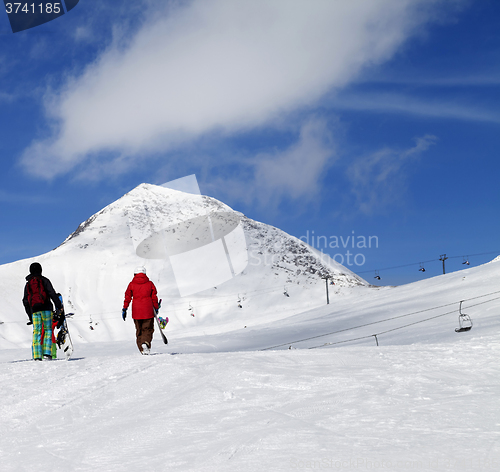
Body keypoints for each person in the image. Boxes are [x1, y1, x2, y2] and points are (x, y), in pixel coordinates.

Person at [23, 262, 63, 361]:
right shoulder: (44, 280)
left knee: (36, 332)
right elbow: (52, 294)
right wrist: (59, 306)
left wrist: (30, 315)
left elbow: (25, 301)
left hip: (35, 311)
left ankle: (37, 356)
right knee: (48, 330)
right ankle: (47, 353)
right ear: (40, 270)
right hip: (46, 309)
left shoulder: (28, 284)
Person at [122, 267, 159, 355]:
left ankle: (142, 349)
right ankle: (145, 342)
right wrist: (156, 307)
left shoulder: (131, 284)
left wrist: (125, 308)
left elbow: (127, 297)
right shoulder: (150, 284)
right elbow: (154, 296)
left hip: (136, 312)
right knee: (148, 329)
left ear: (135, 274)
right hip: (148, 311)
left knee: (139, 330)